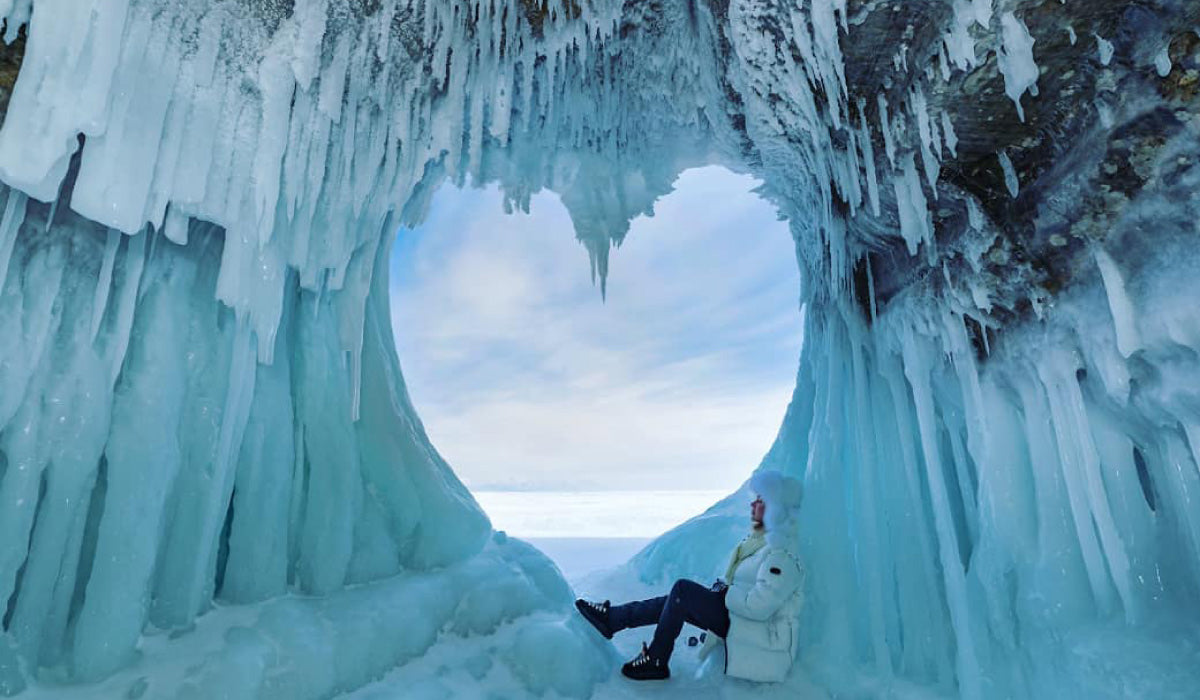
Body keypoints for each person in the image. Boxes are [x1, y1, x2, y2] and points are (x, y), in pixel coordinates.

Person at [575, 470, 804, 682]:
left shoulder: (781, 555)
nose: (753, 504)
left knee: (682, 591)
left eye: (761, 500)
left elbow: (760, 608)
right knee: (673, 601)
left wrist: (726, 593)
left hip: (754, 631)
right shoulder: (760, 543)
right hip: (737, 617)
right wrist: (725, 591)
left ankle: (656, 659)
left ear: (776, 509)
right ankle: (614, 619)